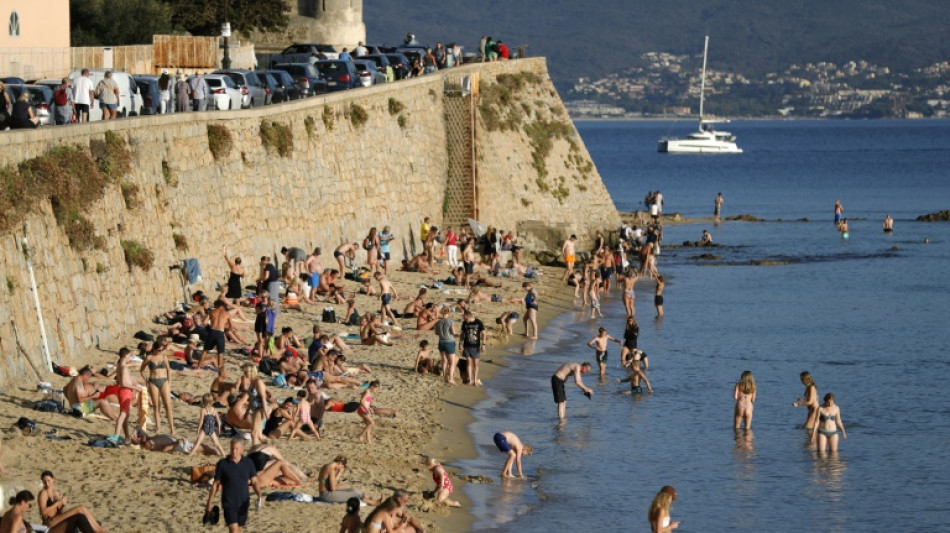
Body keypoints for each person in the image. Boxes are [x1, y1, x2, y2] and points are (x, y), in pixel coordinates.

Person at [206, 439, 264, 533]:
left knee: (239, 528)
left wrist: (260, 496)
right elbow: (216, 484)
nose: (234, 451)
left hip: (244, 502)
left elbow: (254, 481)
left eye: (236, 449)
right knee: (233, 529)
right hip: (228, 502)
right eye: (232, 448)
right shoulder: (222, 464)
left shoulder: (248, 463)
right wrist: (209, 502)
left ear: (242, 449)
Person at [38, 471, 110, 533]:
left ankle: (99, 530)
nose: (47, 484)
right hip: (50, 523)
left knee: (80, 516)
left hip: (57, 522)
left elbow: (59, 512)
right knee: (79, 508)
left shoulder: (55, 493)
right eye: (45, 481)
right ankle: (100, 531)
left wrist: (62, 505)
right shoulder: (43, 493)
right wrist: (57, 503)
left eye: (49, 480)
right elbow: (43, 513)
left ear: (53, 479)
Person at [140, 336, 175, 435]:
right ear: (154, 349)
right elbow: (142, 370)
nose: (161, 351)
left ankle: (172, 429)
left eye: (162, 350)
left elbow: (168, 369)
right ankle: (158, 428)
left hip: (164, 381)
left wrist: (169, 382)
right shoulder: (149, 357)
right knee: (156, 406)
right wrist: (146, 380)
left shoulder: (164, 357)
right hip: (153, 381)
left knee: (168, 406)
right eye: (159, 350)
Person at [108, 347, 136, 444]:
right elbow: (123, 383)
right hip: (125, 391)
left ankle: (127, 437)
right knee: (123, 415)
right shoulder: (123, 367)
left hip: (123, 391)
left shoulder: (120, 365)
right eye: (129, 355)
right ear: (125, 355)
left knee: (126, 415)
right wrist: (136, 388)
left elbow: (118, 381)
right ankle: (116, 435)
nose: (130, 357)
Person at [460, 310, 485, 386]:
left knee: (476, 364)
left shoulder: (478, 322)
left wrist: (483, 344)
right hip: (466, 346)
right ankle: (470, 380)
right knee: (468, 362)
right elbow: (462, 334)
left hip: (476, 347)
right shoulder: (464, 323)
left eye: (465, 317)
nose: (464, 318)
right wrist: (460, 344)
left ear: (469, 316)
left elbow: (484, 334)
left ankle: (475, 379)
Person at [435, 308, 459, 384]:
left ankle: (445, 377)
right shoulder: (450, 321)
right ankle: (451, 378)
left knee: (444, 360)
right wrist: (457, 333)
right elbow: (453, 332)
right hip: (449, 342)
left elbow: (436, 333)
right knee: (452, 362)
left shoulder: (438, 322)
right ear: (448, 313)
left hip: (441, 342)